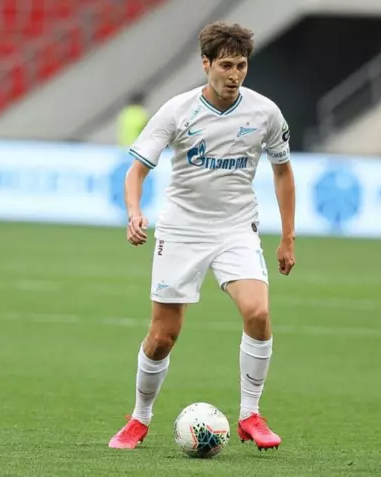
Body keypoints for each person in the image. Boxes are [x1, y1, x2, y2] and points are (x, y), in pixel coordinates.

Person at [108, 21, 296, 451]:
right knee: (163, 336)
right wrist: (134, 212)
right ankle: (139, 418)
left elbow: (284, 173)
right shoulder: (177, 111)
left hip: (236, 228)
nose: (234, 75)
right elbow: (136, 170)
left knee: (258, 313)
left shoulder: (266, 113)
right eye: (226, 65)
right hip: (182, 229)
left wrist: (288, 236)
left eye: (241, 65)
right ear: (206, 64)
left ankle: (250, 415)